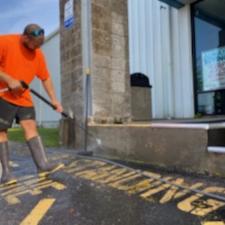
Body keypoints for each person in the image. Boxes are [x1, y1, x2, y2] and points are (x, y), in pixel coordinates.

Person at [0, 24, 64, 185]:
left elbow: (45, 77)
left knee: (31, 127)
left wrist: (54, 100)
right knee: (1, 131)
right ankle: (7, 174)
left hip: (23, 97)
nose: (36, 49)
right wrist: (9, 79)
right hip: (3, 94)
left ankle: (43, 166)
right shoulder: (5, 42)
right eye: (34, 45)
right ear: (25, 37)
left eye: (38, 46)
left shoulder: (38, 54)